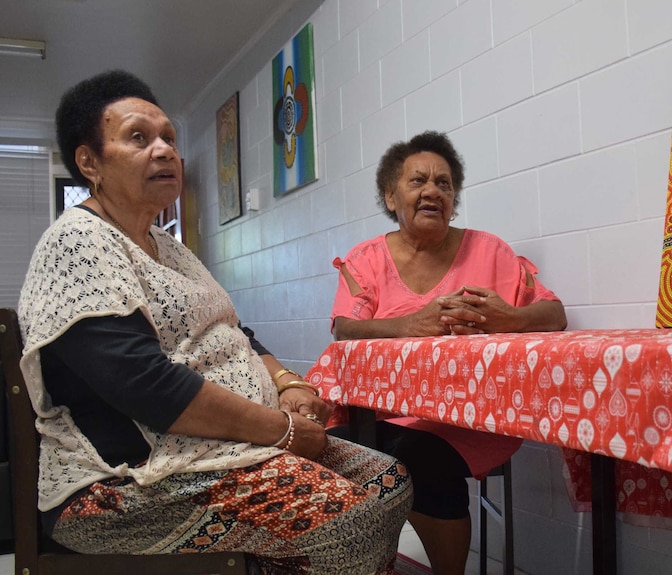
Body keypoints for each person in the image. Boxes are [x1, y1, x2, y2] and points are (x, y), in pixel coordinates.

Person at [17, 70, 412, 575]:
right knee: (350, 519)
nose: (164, 151)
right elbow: (146, 386)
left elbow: (234, 332)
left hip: (224, 452)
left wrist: (286, 383)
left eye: (169, 139)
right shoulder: (77, 245)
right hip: (125, 483)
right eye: (139, 137)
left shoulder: (171, 249)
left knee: (389, 481)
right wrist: (284, 431)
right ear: (88, 161)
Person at [329, 131, 567, 575]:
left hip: (475, 418)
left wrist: (507, 318)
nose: (433, 191)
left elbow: (554, 313)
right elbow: (345, 328)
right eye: (418, 181)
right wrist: (408, 325)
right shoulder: (366, 261)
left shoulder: (491, 251)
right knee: (335, 451)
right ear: (390, 194)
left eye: (444, 183)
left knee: (418, 455)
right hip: (377, 415)